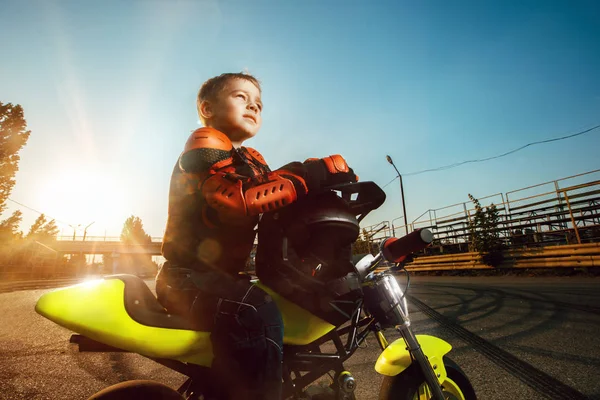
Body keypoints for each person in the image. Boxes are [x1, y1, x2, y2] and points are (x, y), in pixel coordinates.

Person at [156, 72, 357, 400]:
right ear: (207, 108)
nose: (253, 105)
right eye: (241, 97)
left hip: (222, 280)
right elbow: (238, 199)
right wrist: (308, 174)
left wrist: (325, 185)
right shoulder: (204, 142)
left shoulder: (252, 159)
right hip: (187, 279)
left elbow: (280, 195)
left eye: (259, 104)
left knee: (285, 308)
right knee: (257, 312)